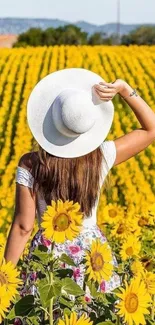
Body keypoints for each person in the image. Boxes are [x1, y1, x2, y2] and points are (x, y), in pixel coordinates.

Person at [3, 68, 155, 317]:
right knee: (96, 314)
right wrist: (125, 90)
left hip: (48, 261)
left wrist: (4, 279)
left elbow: (23, 226)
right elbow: (151, 129)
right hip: (94, 259)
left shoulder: (31, 163)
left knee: (48, 314)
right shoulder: (101, 157)